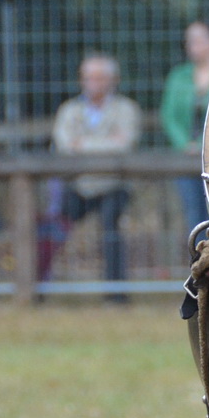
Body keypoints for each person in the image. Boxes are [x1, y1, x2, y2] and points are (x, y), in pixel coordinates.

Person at [46, 53, 140, 298]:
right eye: (87, 78)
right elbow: (65, 146)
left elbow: (125, 144)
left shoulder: (126, 108)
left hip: (113, 184)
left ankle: (115, 294)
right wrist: (106, 144)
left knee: (111, 230)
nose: (92, 83)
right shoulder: (69, 110)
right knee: (51, 227)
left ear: (112, 80)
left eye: (98, 78)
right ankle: (38, 285)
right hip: (77, 185)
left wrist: (82, 145)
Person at [161, 20, 209, 231]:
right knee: (193, 215)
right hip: (185, 158)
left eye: (198, 40)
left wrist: (205, 145)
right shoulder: (178, 76)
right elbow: (169, 116)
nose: (193, 46)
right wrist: (185, 144)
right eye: (190, 41)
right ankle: (202, 260)